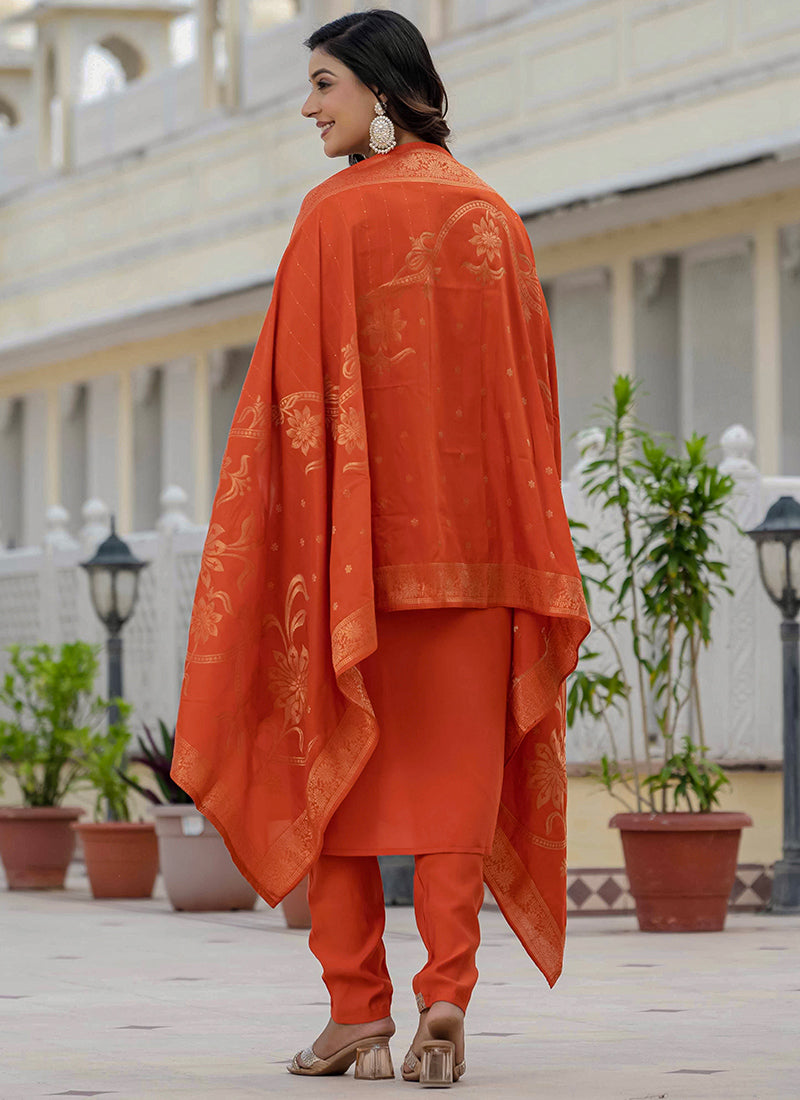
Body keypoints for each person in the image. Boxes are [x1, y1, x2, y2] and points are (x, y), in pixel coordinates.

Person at [172, 8, 590, 1088]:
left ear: (379, 88)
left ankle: (355, 1013)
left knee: (338, 782)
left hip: (350, 562)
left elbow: (285, 406)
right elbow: (528, 409)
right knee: (455, 792)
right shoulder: (494, 218)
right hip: (479, 562)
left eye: (323, 84)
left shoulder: (331, 216)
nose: (307, 108)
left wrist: (275, 537)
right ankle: (445, 996)